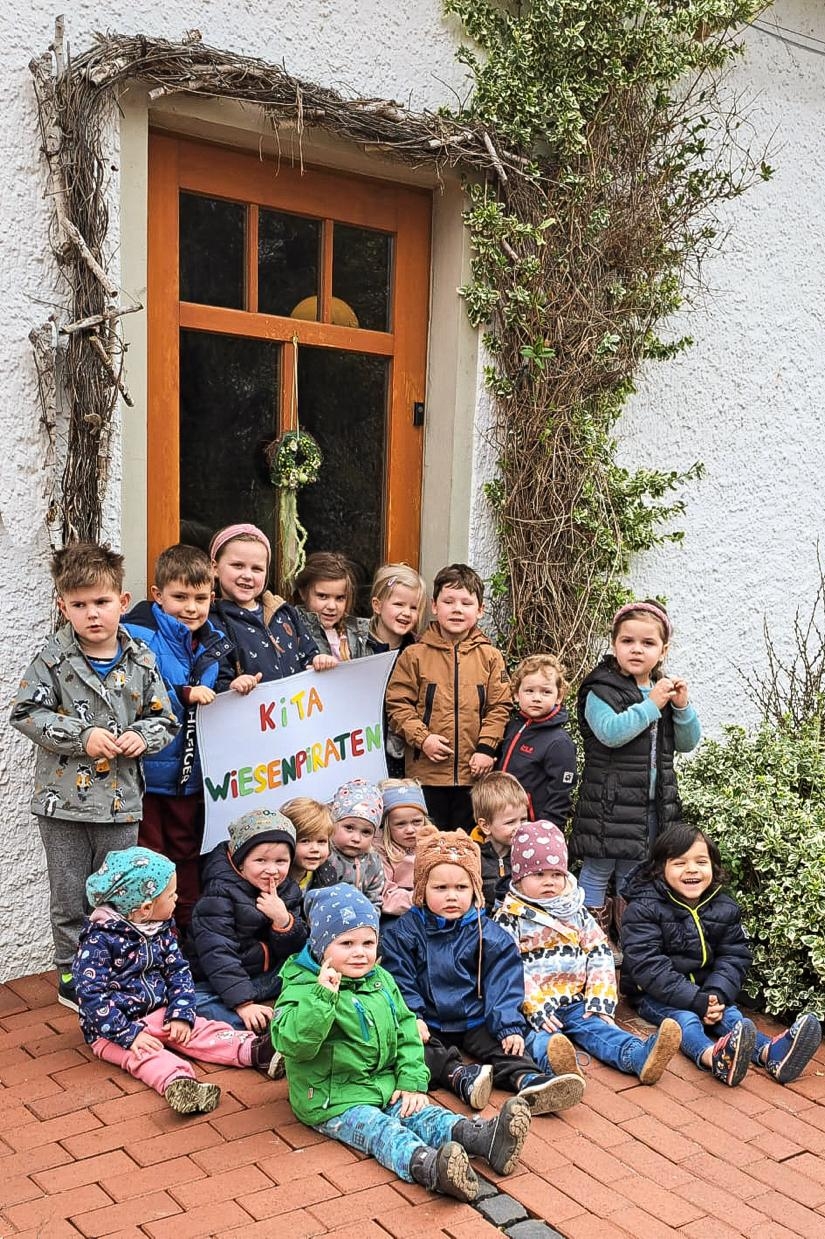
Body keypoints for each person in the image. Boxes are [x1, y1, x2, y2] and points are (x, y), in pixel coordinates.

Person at [271, 884, 533, 1201]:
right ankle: (432, 1168)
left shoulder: (380, 978)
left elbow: (407, 1029)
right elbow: (294, 1044)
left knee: (425, 1114)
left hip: (383, 1083)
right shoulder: (302, 988)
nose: (360, 952)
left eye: (368, 942)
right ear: (321, 945)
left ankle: (484, 1140)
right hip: (333, 1099)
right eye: (346, 943)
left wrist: (411, 1080)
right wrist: (322, 998)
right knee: (382, 1131)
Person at [10, 542, 178, 1010]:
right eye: (79, 605)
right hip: (61, 804)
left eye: (101, 602)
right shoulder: (53, 658)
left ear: (122, 602)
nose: (92, 614)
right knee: (68, 892)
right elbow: (25, 712)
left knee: (119, 889)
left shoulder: (141, 659)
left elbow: (164, 718)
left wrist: (143, 737)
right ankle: (71, 971)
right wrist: (82, 736)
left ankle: (116, 968)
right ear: (63, 606)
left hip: (120, 804)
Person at [380, 828, 584, 1115]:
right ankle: (460, 1077)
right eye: (441, 889)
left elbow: (502, 981)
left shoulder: (488, 933)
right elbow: (399, 977)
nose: (452, 896)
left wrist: (508, 1025)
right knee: (415, 1051)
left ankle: (528, 1079)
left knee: (507, 1045)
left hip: (474, 1016)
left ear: (474, 890)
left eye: (461, 888)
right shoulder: (405, 932)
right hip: (429, 1020)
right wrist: (413, 1016)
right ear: (421, 889)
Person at [74, 847, 279, 1114]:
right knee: (146, 1057)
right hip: (111, 1031)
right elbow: (91, 997)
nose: (177, 899)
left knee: (201, 1030)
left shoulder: (161, 928)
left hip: (160, 1011)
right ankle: (180, 1085)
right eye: (171, 895)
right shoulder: (98, 942)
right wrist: (128, 1035)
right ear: (146, 907)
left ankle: (254, 1050)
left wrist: (181, 1013)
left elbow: (179, 971)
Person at [621, 824, 822, 1087]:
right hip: (652, 993)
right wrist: (696, 1002)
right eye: (680, 862)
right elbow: (648, 967)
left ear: (713, 867)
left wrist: (716, 995)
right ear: (660, 869)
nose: (692, 869)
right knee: (686, 1019)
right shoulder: (644, 908)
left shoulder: (723, 905)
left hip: (707, 990)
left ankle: (771, 1052)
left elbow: (734, 955)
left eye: (701, 861)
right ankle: (713, 1057)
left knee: (732, 1017)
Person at [495, 821, 682, 1087]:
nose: (549, 881)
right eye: (538, 875)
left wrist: (600, 999)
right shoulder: (509, 917)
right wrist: (533, 1006)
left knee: (600, 1029)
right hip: (535, 1008)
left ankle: (638, 1056)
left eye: (556, 874)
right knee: (541, 1038)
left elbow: (598, 951)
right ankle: (559, 1067)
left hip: (576, 999)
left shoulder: (576, 910)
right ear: (519, 877)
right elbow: (507, 966)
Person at [569, 599, 701, 959]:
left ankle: (631, 941)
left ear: (663, 651)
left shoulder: (662, 690)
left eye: (647, 643)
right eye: (628, 641)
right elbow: (610, 733)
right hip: (608, 802)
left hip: (650, 803)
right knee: (598, 869)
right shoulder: (601, 688)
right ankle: (592, 942)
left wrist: (682, 707)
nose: (637, 649)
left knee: (635, 874)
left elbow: (687, 744)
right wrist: (650, 705)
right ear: (614, 645)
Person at [123, 544, 239, 928]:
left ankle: (188, 938)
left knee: (188, 854)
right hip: (148, 777)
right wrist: (182, 694)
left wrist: (235, 688)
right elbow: (135, 689)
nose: (191, 607)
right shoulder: (139, 634)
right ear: (158, 595)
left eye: (200, 598)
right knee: (151, 857)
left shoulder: (214, 639)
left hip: (191, 776)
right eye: (180, 597)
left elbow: (216, 691)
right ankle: (152, 938)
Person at [385, 563, 512, 831]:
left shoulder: (490, 657)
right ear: (434, 606)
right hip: (426, 775)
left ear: (480, 610)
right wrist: (424, 738)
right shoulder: (414, 655)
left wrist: (486, 749)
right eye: (448, 601)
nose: (457, 609)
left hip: (473, 774)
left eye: (466, 603)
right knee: (428, 843)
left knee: (468, 844)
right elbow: (397, 706)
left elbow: (499, 706)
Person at [188, 809, 306, 1030]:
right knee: (198, 1002)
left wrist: (283, 921)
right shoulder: (219, 894)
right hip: (218, 980)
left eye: (281, 861)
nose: (272, 870)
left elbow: (292, 950)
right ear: (240, 862)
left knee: (308, 967)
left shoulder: (288, 890)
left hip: (265, 976)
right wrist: (243, 1004)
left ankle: (299, 1018)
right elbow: (217, 953)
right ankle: (265, 1033)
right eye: (260, 860)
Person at [209, 523, 336, 685]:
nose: (247, 575)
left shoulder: (285, 612)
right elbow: (215, 679)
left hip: (293, 707)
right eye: (238, 566)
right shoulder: (211, 622)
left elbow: (308, 655)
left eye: (257, 569)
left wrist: (319, 660)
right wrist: (232, 686)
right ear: (215, 568)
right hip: (249, 709)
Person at [497, 653, 578, 826]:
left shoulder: (559, 742)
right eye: (529, 691)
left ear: (558, 697)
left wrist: (546, 829)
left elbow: (561, 793)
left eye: (546, 692)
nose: (536, 698)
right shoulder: (511, 726)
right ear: (517, 694)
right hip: (502, 821)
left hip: (534, 827)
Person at [367, 563, 427, 776]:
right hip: (361, 751)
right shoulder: (355, 645)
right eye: (399, 604)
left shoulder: (419, 652)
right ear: (377, 605)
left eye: (413, 607)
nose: (406, 613)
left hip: (401, 755)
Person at [312, 778, 385, 908]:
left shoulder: (373, 862)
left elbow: (374, 899)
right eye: (349, 828)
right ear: (332, 823)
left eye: (366, 832)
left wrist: (370, 923)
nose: (356, 838)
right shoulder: (324, 855)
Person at [293, 552, 371, 661]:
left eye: (340, 598)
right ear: (303, 593)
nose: (331, 606)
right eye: (322, 596)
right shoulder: (294, 629)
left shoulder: (357, 631)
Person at [470, 771, 529, 914]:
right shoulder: (472, 856)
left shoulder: (528, 853)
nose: (519, 827)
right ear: (485, 826)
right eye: (510, 822)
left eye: (523, 819)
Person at [375, 780, 432, 919]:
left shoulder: (434, 844)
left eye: (417, 822)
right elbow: (385, 896)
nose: (410, 830)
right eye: (400, 824)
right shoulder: (380, 852)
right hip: (400, 913)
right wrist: (422, 897)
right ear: (386, 825)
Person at [281, 796, 334, 895]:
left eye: (321, 841)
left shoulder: (327, 874)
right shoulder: (274, 882)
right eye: (305, 841)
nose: (315, 849)